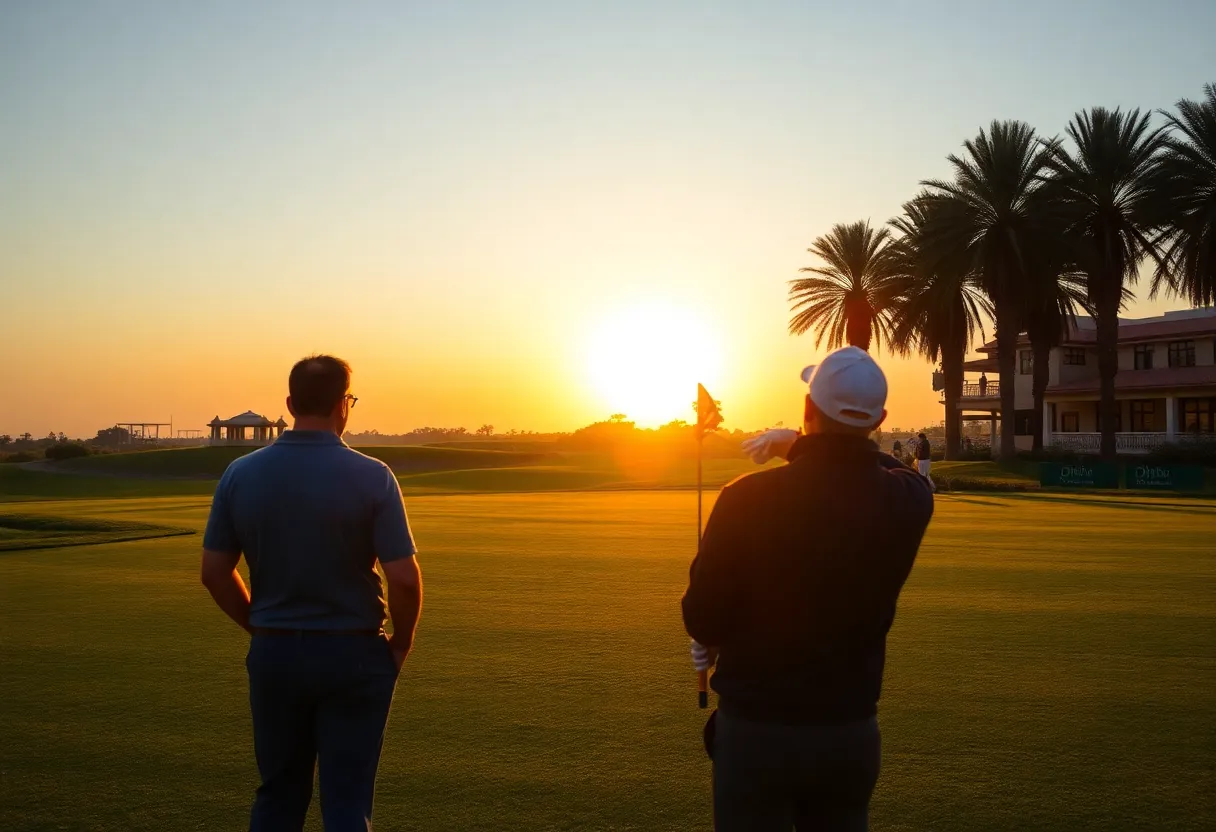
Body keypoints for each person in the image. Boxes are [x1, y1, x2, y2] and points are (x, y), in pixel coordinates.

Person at [685, 346, 934, 831]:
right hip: (849, 735)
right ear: (880, 419)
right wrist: (802, 444)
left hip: (755, 733)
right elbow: (891, 469)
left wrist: (796, 445)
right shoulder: (909, 500)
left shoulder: (744, 498)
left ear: (806, 410)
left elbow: (703, 618)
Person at [200, 355, 423, 832]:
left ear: (289, 403)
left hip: (276, 653)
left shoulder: (240, 473)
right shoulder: (372, 475)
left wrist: (258, 625)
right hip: (355, 654)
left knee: (279, 794)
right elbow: (403, 579)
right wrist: (400, 644)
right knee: (346, 801)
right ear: (345, 405)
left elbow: (215, 573)